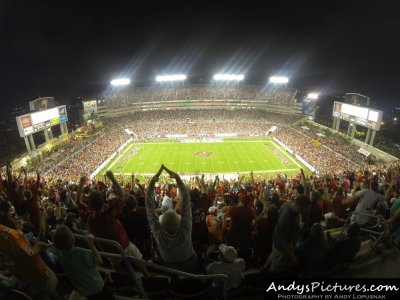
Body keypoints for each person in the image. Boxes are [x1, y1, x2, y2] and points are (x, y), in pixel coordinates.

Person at [145, 165, 199, 273]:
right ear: (180, 223)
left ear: (161, 225)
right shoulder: (185, 231)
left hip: (169, 268)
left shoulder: (159, 235)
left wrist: (152, 183)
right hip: (190, 264)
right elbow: (186, 200)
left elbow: (149, 207)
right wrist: (177, 179)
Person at [0, 223, 60, 299]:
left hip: (22, 276)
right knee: (53, 294)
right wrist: (37, 246)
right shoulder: (10, 235)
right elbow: (30, 259)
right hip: (38, 274)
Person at [52, 225, 112, 299]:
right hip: (97, 287)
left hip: (85, 292)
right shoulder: (81, 253)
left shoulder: (62, 257)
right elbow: (100, 261)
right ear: (72, 238)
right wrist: (91, 244)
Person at [264, 194, 311, 272]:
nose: (307, 211)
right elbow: (287, 243)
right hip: (282, 247)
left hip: (277, 237)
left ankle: (264, 267)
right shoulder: (288, 220)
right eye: (306, 209)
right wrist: (292, 257)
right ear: (300, 206)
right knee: (277, 266)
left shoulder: (288, 204)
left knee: (274, 253)